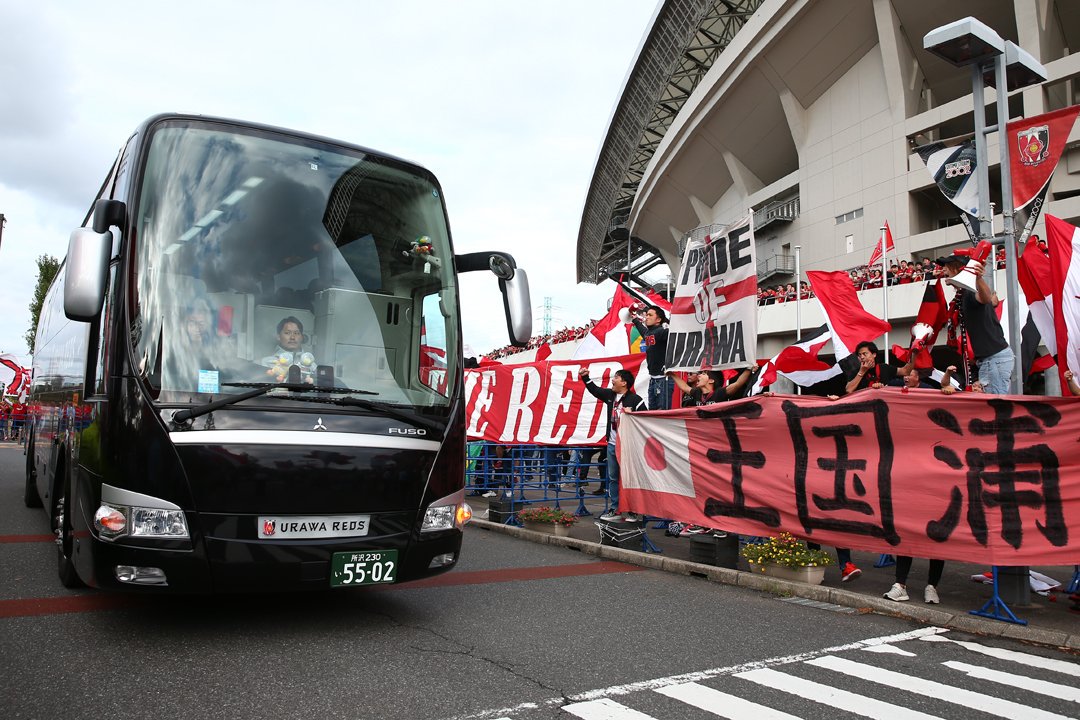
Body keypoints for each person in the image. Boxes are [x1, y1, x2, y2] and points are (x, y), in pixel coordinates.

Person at [936, 254, 1012, 394]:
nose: (944, 270)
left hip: (993, 359)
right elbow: (990, 301)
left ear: (959, 269)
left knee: (996, 407)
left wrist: (978, 278)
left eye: (947, 266)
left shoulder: (971, 292)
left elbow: (984, 298)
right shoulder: (964, 294)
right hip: (990, 359)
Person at [578, 367, 646, 522]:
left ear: (624, 382)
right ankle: (616, 510)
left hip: (629, 446)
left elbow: (645, 420)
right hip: (612, 444)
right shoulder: (610, 395)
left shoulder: (635, 400)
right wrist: (585, 377)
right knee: (613, 478)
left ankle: (632, 511)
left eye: (616, 377)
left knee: (629, 479)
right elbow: (595, 390)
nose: (612, 380)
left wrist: (633, 415)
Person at [631, 306, 673, 410]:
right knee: (652, 413)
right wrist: (635, 319)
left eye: (650, 315)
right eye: (646, 315)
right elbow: (643, 332)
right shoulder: (649, 333)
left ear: (658, 320)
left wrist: (674, 320)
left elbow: (675, 333)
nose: (646, 317)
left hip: (664, 380)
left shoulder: (662, 332)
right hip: (653, 380)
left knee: (661, 415)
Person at [844, 341, 914, 394]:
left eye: (865, 354)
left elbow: (905, 371)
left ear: (874, 354)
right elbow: (849, 390)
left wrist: (914, 352)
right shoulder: (855, 371)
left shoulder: (884, 368)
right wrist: (862, 372)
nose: (862, 357)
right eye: (859, 355)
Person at [262, 316, 317, 383]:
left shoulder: (312, 366)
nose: (292, 337)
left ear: (302, 337)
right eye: (287, 333)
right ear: (278, 336)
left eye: (296, 333)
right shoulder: (266, 362)